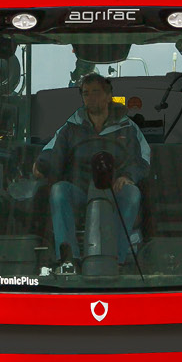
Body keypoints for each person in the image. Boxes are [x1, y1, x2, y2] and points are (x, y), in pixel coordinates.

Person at [33, 72, 150, 271]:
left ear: (108, 95)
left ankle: (118, 259)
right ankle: (70, 260)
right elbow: (52, 154)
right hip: (80, 190)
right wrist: (41, 165)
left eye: (96, 92)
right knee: (59, 191)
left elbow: (142, 160)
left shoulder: (128, 128)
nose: (90, 97)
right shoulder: (70, 127)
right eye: (86, 93)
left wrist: (127, 177)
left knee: (132, 194)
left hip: (114, 190)